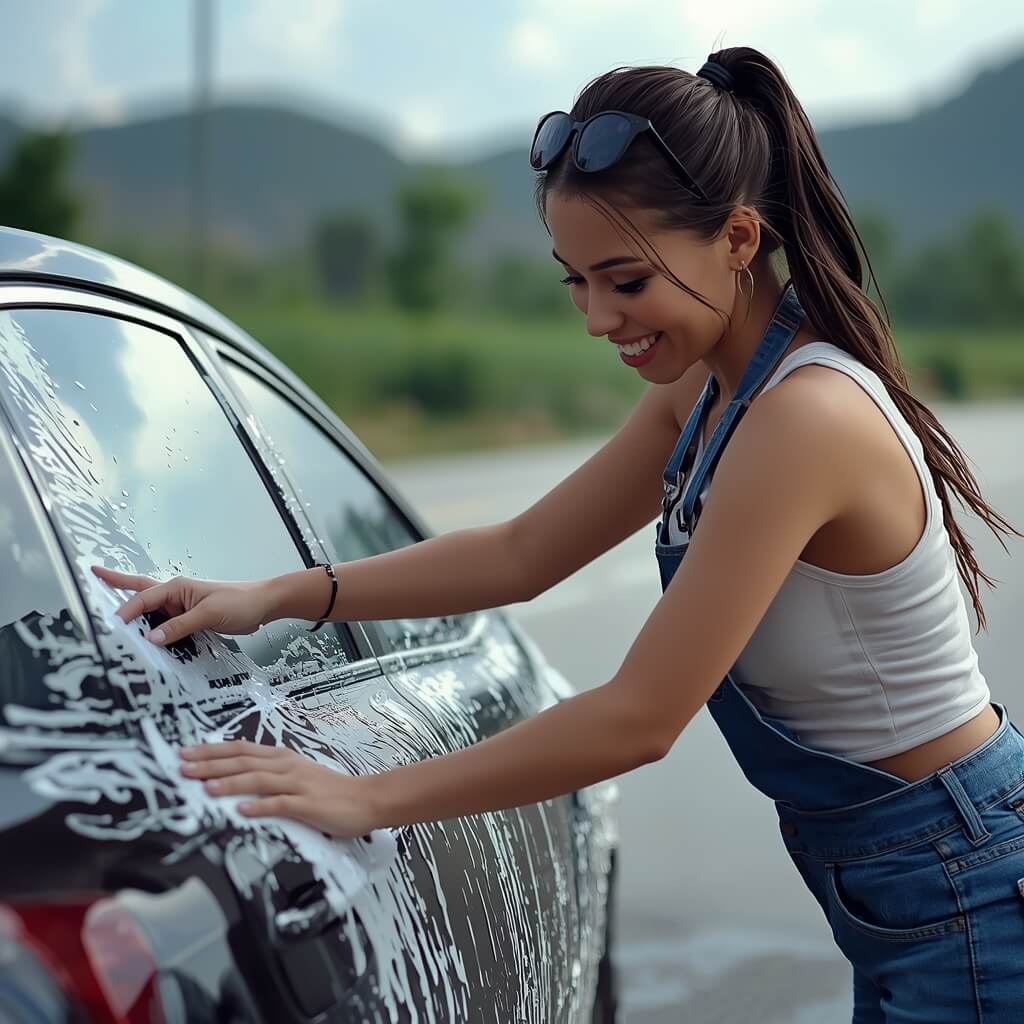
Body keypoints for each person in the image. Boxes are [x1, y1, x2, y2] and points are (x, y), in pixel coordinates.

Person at [92, 46, 1024, 1020]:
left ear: (739, 238)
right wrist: (274, 593)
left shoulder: (804, 418)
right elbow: (521, 553)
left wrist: (364, 795)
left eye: (625, 281)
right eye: (574, 282)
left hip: (958, 872)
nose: (595, 319)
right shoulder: (705, 394)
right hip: (907, 880)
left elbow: (639, 717)